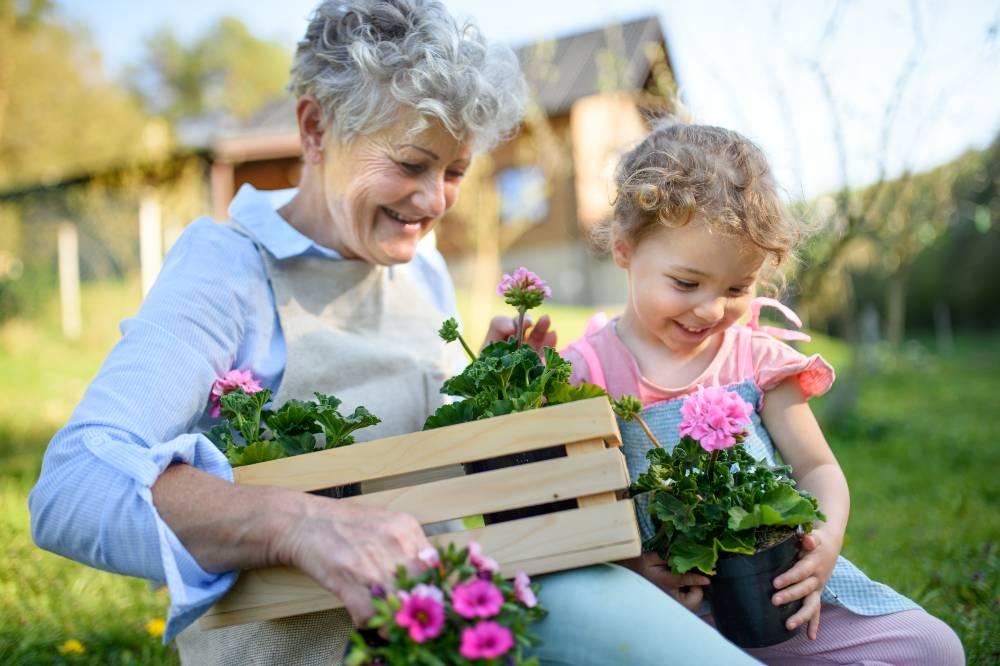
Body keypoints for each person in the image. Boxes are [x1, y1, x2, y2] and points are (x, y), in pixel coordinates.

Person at [29, 2, 761, 664]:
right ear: (316, 129)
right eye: (410, 163)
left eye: (455, 171)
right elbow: (72, 488)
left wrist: (503, 410)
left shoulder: (422, 272)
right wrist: (298, 525)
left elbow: (450, 480)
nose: (431, 200)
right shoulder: (229, 270)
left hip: (462, 619)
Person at [562, 120, 966, 665]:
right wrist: (633, 566)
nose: (710, 310)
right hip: (666, 609)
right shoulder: (586, 371)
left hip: (777, 596)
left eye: (736, 289)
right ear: (625, 249)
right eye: (686, 283)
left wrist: (823, 546)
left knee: (936, 649)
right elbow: (569, 512)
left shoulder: (755, 358)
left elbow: (817, 468)